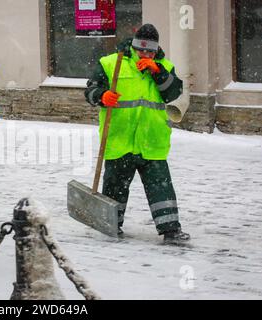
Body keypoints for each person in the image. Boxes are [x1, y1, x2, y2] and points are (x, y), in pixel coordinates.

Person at [84, 23, 190, 244]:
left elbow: (173, 93)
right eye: (142, 49)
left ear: (156, 50)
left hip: (152, 140)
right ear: (134, 47)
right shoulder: (112, 63)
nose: (145, 54)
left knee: (161, 188)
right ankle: (112, 225)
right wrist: (101, 96)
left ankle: (170, 230)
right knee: (115, 187)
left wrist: (157, 72)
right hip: (119, 138)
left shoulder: (164, 67)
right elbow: (90, 89)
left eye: (150, 51)